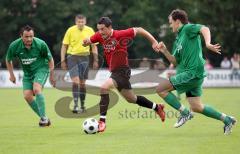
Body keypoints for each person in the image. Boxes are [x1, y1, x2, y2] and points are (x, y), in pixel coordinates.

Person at [157, 9, 236, 135]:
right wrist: (165, 51)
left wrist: (208, 43)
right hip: (193, 73)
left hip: (192, 73)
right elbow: (175, 61)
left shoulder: (187, 29)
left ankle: (184, 113)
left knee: (160, 89)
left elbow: (204, 28)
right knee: (197, 107)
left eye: (170, 22)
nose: (170, 25)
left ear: (177, 21)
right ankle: (227, 120)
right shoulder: (178, 39)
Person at [83, 17, 165, 132]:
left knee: (104, 87)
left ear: (110, 27)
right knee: (132, 99)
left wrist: (153, 42)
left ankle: (102, 121)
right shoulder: (99, 36)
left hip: (123, 71)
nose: (100, 32)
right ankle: (157, 107)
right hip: (115, 72)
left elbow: (140, 30)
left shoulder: (120, 34)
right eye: (99, 29)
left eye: (102, 29)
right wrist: (86, 42)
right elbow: (89, 40)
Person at [6, 25, 55, 127]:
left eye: (31, 36)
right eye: (26, 36)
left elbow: (50, 59)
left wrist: (52, 75)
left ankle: (43, 119)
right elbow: (8, 59)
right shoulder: (14, 46)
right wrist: (11, 75)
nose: (29, 39)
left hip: (41, 69)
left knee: (37, 89)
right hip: (28, 74)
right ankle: (44, 117)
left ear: (33, 35)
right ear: (21, 36)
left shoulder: (41, 44)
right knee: (27, 96)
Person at [61, 14, 98, 113]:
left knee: (82, 84)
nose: (80, 23)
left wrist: (96, 60)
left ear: (85, 22)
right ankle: (76, 105)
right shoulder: (70, 30)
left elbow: (94, 46)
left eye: (82, 22)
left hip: (85, 57)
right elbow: (64, 46)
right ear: (76, 22)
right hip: (72, 57)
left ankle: (82, 105)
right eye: (78, 22)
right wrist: (63, 60)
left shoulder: (90, 30)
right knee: (75, 81)